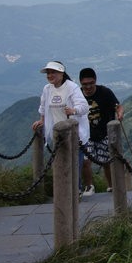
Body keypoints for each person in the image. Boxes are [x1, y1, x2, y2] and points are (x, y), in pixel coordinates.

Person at [31, 60, 90, 195]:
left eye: (53, 72)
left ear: (61, 73)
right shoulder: (47, 89)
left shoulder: (71, 87)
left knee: (75, 164)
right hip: (58, 134)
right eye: (48, 73)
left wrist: (73, 110)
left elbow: (84, 106)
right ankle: (65, 191)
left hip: (75, 134)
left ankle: (76, 190)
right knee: (62, 164)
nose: (50, 75)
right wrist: (41, 120)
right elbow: (43, 107)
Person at [78, 66, 123, 195]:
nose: (88, 87)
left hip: (105, 133)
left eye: (91, 83)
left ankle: (111, 186)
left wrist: (120, 114)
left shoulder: (105, 92)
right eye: (85, 84)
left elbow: (118, 106)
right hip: (86, 135)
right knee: (85, 161)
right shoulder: (77, 95)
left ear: (95, 80)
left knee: (106, 161)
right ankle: (89, 186)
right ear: (81, 83)